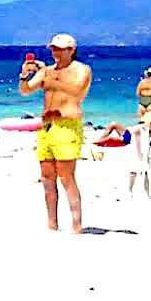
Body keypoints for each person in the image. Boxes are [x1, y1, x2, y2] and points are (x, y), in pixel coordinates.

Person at [20, 33, 93, 233]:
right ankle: (52, 222)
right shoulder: (48, 71)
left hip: (67, 125)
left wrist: (52, 80)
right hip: (47, 126)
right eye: (53, 49)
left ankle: (77, 224)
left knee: (66, 176)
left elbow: (77, 91)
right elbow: (26, 90)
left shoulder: (81, 69)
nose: (55, 53)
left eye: (59, 49)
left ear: (71, 50)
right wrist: (24, 75)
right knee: (47, 176)